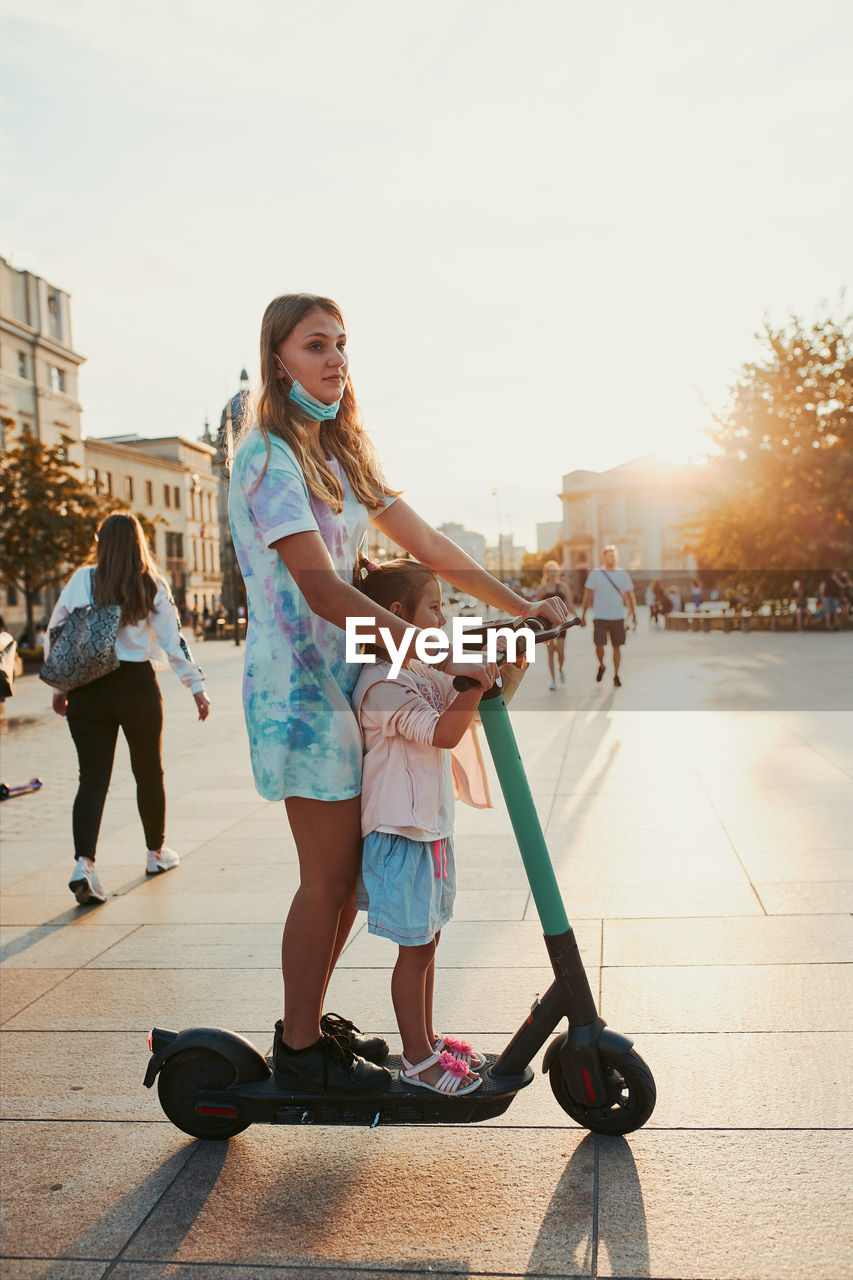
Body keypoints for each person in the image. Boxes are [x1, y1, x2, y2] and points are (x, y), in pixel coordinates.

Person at [227, 292, 568, 1098]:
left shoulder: (337, 456)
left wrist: (520, 606)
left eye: (341, 344)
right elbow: (320, 590)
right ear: (278, 359)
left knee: (344, 878)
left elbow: (426, 544)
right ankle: (300, 1051)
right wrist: (436, 648)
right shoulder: (268, 456)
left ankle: (305, 1033)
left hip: (345, 682)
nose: (335, 359)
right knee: (328, 877)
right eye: (315, 346)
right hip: (299, 697)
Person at [353, 559, 498, 1095]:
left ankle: (429, 1039)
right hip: (400, 836)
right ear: (396, 616)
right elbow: (441, 731)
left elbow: (465, 705)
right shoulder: (379, 685)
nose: (442, 617)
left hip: (430, 830)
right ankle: (416, 1059)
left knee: (429, 942)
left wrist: (496, 670)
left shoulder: (416, 670)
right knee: (413, 951)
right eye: (434, 607)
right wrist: (472, 685)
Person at [44, 514, 211, 905]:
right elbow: (174, 641)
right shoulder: (150, 583)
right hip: (135, 685)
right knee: (148, 772)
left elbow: (56, 630)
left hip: (87, 687)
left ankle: (84, 864)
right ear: (139, 543)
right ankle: (156, 854)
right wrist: (197, 687)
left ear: (101, 542)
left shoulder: (83, 579)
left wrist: (59, 685)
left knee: (92, 779)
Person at [580, 545, 637, 688]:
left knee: (616, 646)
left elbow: (630, 596)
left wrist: (633, 614)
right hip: (600, 616)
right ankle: (602, 665)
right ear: (603, 557)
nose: (612, 558)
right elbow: (587, 596)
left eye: (614, 555)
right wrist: (583, 615)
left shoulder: (622, 574)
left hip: (618, 616)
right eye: (609, 555)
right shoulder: (595, 574)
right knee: (599, 645)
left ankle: (616, 675)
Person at [536, 560, 574, 690]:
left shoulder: (563, 586)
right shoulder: (542, 588)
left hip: (561, 623)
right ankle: (553, 680)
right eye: (549, 570)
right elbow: (536, 607)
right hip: (547, 625)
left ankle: (561, 669)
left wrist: (579, 617)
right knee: (550, 652)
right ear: (546, 572)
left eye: (554, 570)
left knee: (561, 652)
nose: (552, 572)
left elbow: (569, 603)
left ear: (557, 571)